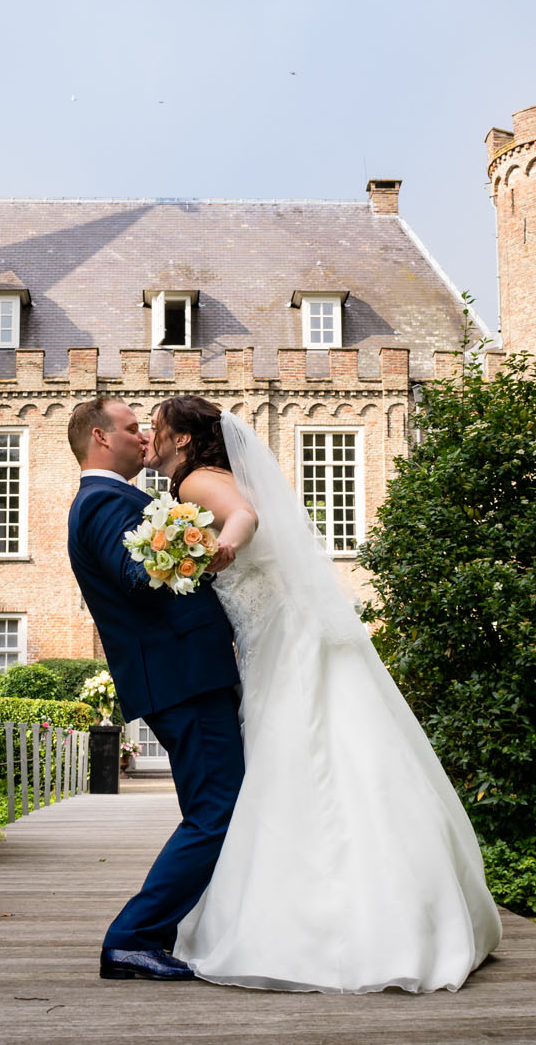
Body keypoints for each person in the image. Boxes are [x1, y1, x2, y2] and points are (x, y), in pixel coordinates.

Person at [149, 394, 502, 993]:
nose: (151, 437)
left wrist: (225, 544)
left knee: (299, 756)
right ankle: (410, 910)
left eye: (157, 428)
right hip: (273, 635)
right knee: (341, 752)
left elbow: (243, 516)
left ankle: (323, 927)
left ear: (183, 439)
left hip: (281, 641)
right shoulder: (210, 477)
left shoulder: (201, 484)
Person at [65, 396, 252, 981]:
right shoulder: (101, 501)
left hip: (188, 676)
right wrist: (189, 539)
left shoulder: (119, 499)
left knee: (215, 807)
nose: (144, 439)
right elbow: (135, 576)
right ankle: (133, 937)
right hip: (182, 679)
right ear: (100, 438)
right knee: (216, 811)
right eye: (130, 429)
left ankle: (192, 926)